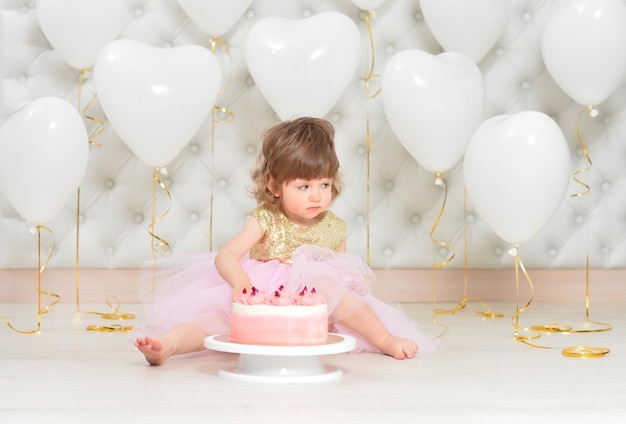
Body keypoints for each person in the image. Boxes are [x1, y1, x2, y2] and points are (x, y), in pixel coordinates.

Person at [135, 117, 438, 365]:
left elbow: (344, 272)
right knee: (214, 319)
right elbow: (226, 255)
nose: (317, 195)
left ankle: (385, 339)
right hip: (262, 296)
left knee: (344, 295)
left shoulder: (335, 227)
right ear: (274, 185)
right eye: (304, 186)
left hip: (310, 306)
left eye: (325, 184)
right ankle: (168, 346)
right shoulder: (266, 219)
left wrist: (344, 301)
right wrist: (241, 281)